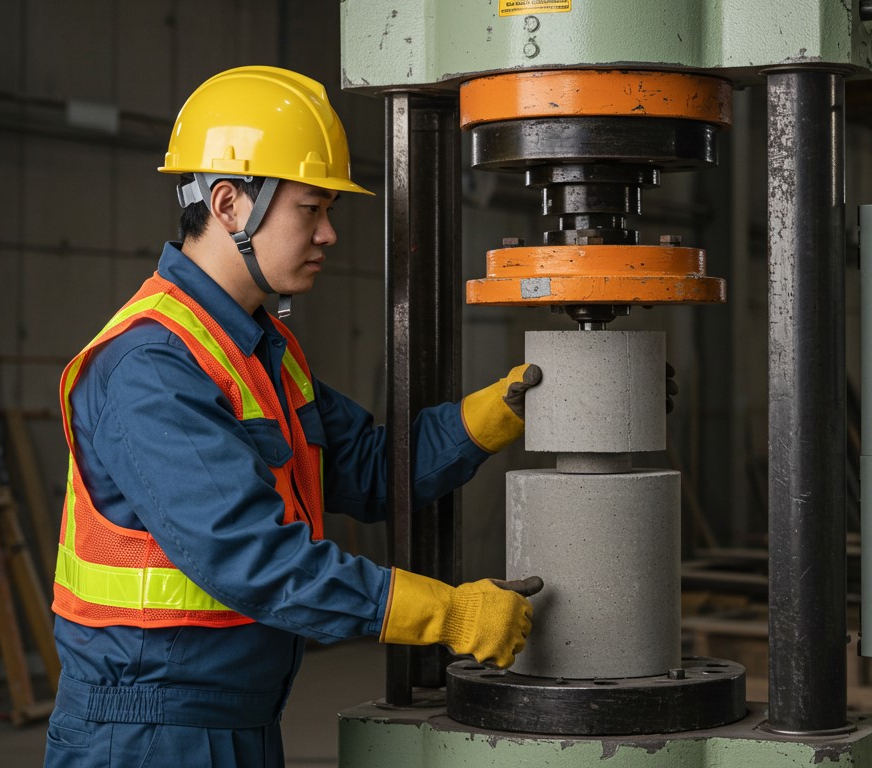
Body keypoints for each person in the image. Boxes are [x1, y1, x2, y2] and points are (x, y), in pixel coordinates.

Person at [44, 65, 542, 768]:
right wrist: (447, 615)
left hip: (236, 717)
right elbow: (253, 558)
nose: (330, 233)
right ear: (229, 204)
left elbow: (367, 467)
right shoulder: (152, 366)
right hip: (150, 732)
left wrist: (493, 417)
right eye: (312, 209)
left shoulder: (258, 350)